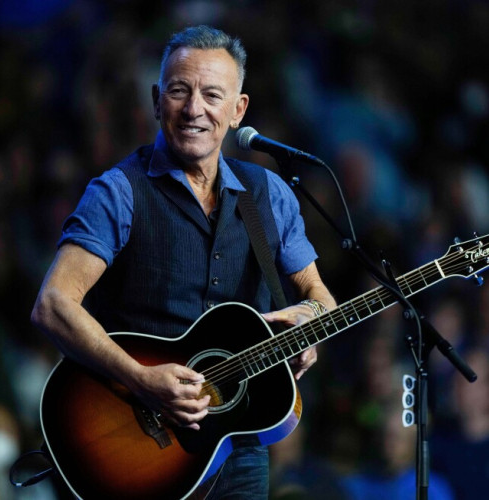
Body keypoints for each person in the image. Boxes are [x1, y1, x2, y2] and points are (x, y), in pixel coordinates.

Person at [31, 24, 336, 499]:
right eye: (179, 91)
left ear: (238, 111)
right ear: (157, 101)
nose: (194, 108)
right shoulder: (118, 192)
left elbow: (320, 297)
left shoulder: (268, 193)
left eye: (212, 95)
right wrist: (140, 379)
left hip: (239, 445)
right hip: (136, 442)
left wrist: (311, 319)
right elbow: (53, 305)